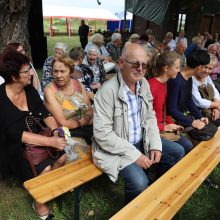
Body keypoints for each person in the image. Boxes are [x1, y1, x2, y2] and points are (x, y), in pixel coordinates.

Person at [92, 44, 184, 203]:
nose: (140, 69)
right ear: (121, 63)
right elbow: (102, 134)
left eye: (144, 65)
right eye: (135, 64)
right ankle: (133, 211)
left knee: (178, 151)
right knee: (139, 183)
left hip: (142, 140)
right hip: (117, 149)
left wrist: (155, 144)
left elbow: (150, 117)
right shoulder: (107, 92)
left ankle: (156, 190)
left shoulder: (144, 84)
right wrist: (135, 155)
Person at [0, 51, 66, 220]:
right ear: (14, 77)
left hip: (38, 136)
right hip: (16, 146)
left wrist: (56, 132)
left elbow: (45, 114)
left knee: (61, 158)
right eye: (26, 70)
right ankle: (39, 203)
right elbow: (16, 134)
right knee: (45, 168)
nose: (31, 73)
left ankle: (46, 188)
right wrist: (50, 141)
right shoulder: (1, 98)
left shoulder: (29, 90)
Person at [148, 51, 193, 153]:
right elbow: (144, 118)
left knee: (188, 145)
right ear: (166, 68)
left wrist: (172, 124)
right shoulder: (152, 86)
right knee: (181, 149)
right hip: (153, 130)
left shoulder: (164, 84)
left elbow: (163, 111)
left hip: (162, 126)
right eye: (177, 67)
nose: (179, 70)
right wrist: (164, 127)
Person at [44, 55, 93, 144]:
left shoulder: (78, 85)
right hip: (65, 134)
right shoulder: (50, 91)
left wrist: (87, 118)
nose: (59, 75)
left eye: (62, 71)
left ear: (70, 71)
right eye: (55, 71)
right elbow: (62, 122)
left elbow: (89, 109)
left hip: (85, 129)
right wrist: (81, 122)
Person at [167, 49, 210, 129]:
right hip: (170, 122)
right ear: (200, 67)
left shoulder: (189, 78)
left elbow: (188, 100)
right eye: (205, 67)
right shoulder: (176, 80)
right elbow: (172, 109)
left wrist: (200, 117)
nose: (206, 71)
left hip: (180, 118)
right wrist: (192, 122)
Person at [192, 55, 220, 125]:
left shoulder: (207, 77)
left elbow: (215, 91)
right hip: (197, 112)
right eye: (205, 67)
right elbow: (198, 101)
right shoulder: (192, 79)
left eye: (210, 68)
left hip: (210, 109)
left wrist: (216, 108)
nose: (207, 71)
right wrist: (217, 105)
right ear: (199, 66)